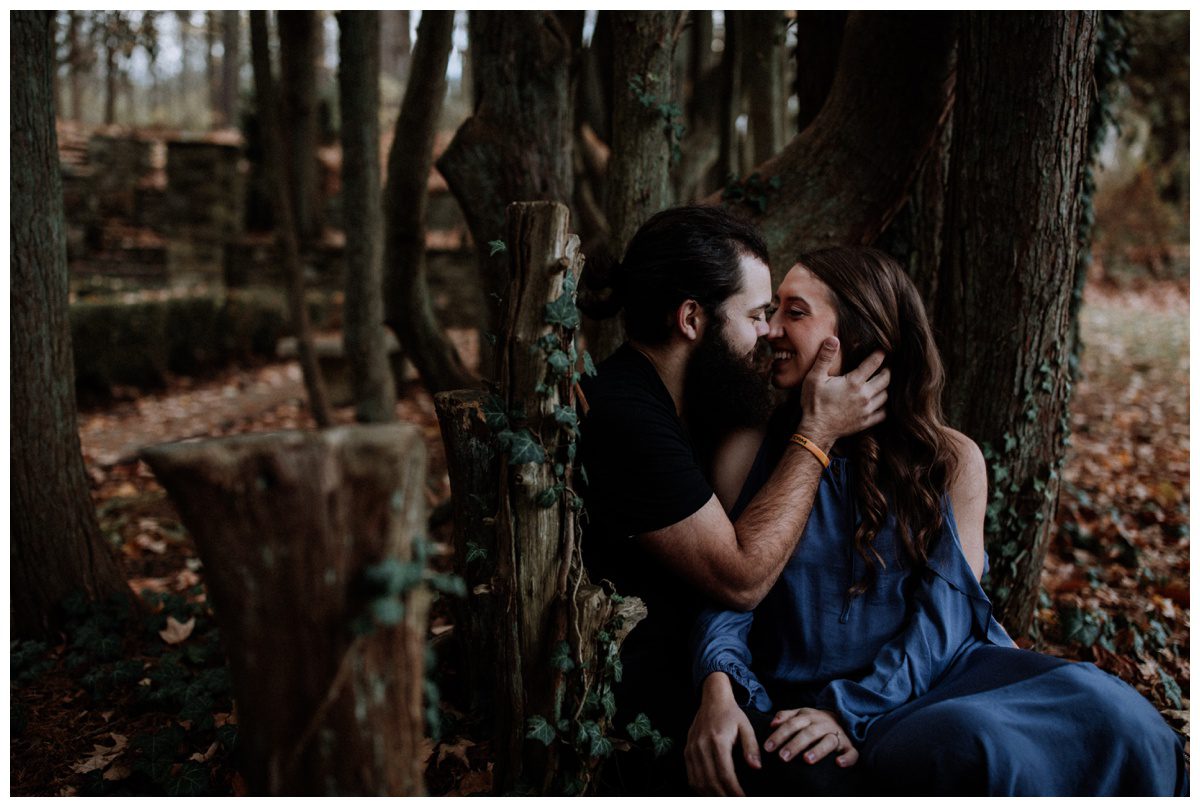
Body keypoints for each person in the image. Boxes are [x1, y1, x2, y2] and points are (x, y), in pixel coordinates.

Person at [686, 246, 1189, 796]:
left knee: (1118, 718)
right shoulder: (748, 450)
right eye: (772, 310)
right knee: (970, 745)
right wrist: (721, 684)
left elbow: (946, 620)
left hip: (936, 676)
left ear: (859, 335)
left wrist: (852, 711)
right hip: (812, 694)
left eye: (795, 312)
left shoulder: (951, 461)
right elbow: (729, 588)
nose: (772, 329)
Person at [577, 207, 890, 793]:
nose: (769, 333)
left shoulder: (693, 405)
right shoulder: (627, 416)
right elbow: (740, 578)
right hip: (644, 717)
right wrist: (818, 433)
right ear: (692, 318)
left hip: (723, 673)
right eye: (755, 315)